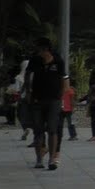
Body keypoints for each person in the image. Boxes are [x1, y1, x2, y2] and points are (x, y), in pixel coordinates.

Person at [24, 38, 65, 170]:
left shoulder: (58, 61)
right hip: (37, 99)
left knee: (53, 130)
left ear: (46, 49)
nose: (38, 51)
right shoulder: (35, 60)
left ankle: (52, 159)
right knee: (38, 131)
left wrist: (61, 95)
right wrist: (28, 92)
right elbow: (28, 75)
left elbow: (64, 78)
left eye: (40, 49)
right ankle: (39, 159)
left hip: (54, 99)